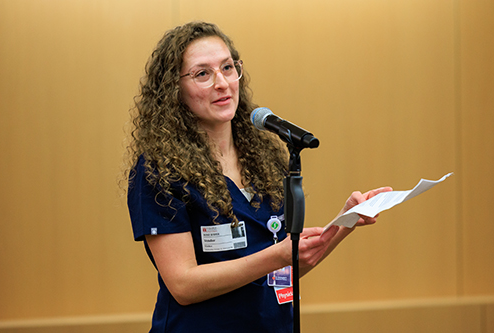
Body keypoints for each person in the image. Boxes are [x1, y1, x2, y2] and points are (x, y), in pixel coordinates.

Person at [124, 21, 392, 333]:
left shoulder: (262, 158)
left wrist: (344, 223)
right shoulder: (160, 170)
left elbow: (284, 268)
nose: (222, 83)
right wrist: (275, 256)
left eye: (227, 67)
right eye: (202, 74)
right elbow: (183, 285)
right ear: (175, 89)